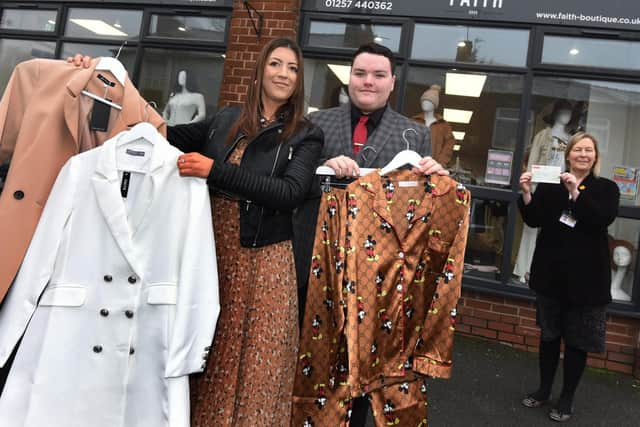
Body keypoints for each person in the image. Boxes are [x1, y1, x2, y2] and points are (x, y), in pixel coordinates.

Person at [71, 38, 323, 426]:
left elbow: (289, 194)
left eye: (292, 68)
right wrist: (104, 76)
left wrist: (214, 171)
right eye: (275, 63)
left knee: (259, 363)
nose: (283, 74)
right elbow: (158, 131)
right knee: (207, 354)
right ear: (260, 70)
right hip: (209, 254)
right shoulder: (225, 119)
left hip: (264, 264)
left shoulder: (305, 134)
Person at [296, 42, 448, 426]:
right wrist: (322, 168)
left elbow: (417, 214)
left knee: (364, 363)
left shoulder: (414, 135)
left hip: (377, 272)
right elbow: (295, 186)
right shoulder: (317, 122)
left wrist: (432, 176)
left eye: (378, 75)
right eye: (361, 73)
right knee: (314, 353)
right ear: (350, 77)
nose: (368, 81)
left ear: (392, 82)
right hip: (321, 261)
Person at [518, 132, 619, 422]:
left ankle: (566, 398)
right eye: (578, 150)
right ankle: (543, 390)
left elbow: (601, 219)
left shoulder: (606, 188)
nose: (583, 155)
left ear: (595, 157)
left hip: (586, 282)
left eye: (589, 150)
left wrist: (576, 192)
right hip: (551, 276)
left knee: (576, 341)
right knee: (549, 336)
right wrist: (527, 193)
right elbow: (534, 218)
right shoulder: (551, 186)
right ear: (569, 155)